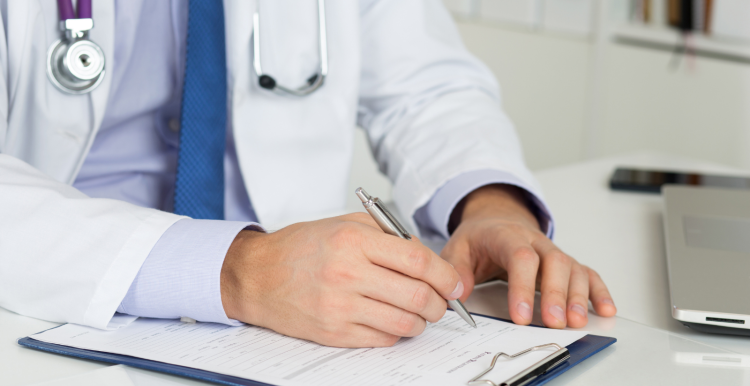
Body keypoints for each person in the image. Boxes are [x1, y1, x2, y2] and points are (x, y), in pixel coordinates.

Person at [0, 0, 616, 348]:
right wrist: (237, 269)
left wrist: (490, 203)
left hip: (301, 331)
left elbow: (426, 86)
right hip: (43, 311)